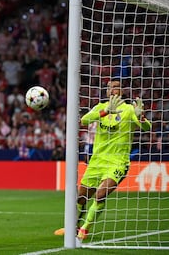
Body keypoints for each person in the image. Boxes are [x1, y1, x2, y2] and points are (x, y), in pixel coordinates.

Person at [54, 79, 151, 240]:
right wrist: (106, 111)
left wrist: (141, 117)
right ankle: (73, 226)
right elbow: (84, 120)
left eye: (116, 87)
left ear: (122, 91)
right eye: (109, 87)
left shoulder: (129, 110)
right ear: (106, 92)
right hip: (96, 161)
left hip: (117, 162)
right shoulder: (100, 107)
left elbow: (146, 127)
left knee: (100, 194)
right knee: (82, 197)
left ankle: (85, 229)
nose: (112, 90)